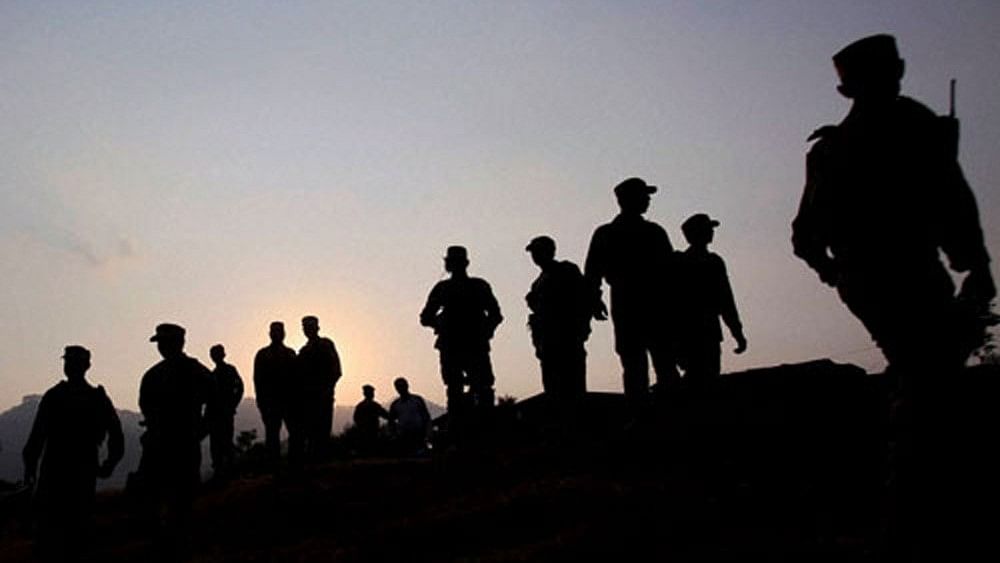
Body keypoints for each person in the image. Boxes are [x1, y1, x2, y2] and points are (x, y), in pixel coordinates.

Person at [791, 34, 996, 561]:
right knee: (930, 383)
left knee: (927, 378)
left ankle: (912, 508)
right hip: (898, 272)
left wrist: (834, 272)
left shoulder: (838, 146)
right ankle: (913, 514)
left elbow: (806, 237)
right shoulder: (905, 129)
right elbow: (950, 197)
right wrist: (973, 263)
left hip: (881, 275)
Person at [584, 177, 680, 411]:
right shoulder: (615, 233)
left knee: (657, 360)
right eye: (643, 195)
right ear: (627, 199)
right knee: (637, 360)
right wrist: (594, 300)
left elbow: (670, 272)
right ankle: (643, 413)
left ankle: (661, 412)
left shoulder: (651, 231)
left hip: (648, 301)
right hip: (633, 300)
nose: (647, 200)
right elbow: (593, 272)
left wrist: (594, 299)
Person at [22, 346, 124, 559]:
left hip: (58, 470)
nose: (69, 367)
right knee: (74, 531)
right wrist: (109, 464)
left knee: (55, 533)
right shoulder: (95, 398)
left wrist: (30, 468)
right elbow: (116, 435)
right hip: (76, 470)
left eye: (71, 363)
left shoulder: (56, 396)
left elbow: (36, 438)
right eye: (69, 362)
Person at [137, 323, 213, 551]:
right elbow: (146, 408)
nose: (161, 347)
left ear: (178, 343)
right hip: (160, 444)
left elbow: (216, 400)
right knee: (156, 499)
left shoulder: (193, 371)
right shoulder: (154, 375)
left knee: (182, 501)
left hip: (182, 443)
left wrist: (201, 429)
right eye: (160, 343)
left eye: (164, 342)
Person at [420, 246, 503, 421]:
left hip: (463, 345)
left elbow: (426, 318)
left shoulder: (448, 288)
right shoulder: (476, 286)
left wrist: (440, 324)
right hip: (464, 345)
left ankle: (470, 432)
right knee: (469, 389)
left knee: (469, 389)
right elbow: (426, 318)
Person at [674, 214, 747, 384]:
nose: (711, 232)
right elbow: (725, 300)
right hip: (691, 330)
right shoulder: (685, 263)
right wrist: (737, 332)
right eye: (707, 229)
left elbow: (726, 301)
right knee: (699, 377)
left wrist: (737, 331)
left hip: (706, 330)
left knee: (706, 376)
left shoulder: (712, 261)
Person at [525, 235, 594, 400]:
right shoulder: (537, 284)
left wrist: (582, 327)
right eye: (533, 252)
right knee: (553, 390)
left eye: (538, 251)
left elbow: (584, 298)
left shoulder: (566, 270)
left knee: (573, 388)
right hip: (547, 344)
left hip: (568, 338)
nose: (535, 256)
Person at [253, 321, 300, 466]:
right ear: (270, 334)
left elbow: (298, 378)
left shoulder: (291, 354)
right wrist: (261, 403)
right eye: (274, 331)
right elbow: (258, 381)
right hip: (271, 403)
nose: (277, 334)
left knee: (295, 433)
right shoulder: (262, 355)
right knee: (272, 435)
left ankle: (295, 464)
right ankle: (274, 467)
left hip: (290, 401)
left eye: (280, 331)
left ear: (284, 334)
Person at [298, 315, 342, 459]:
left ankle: (323, 461)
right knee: (310, 431)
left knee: (323, 430)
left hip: (323, 394)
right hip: (307, 398)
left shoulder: (326, 344)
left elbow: (336, 369)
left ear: (317, 328)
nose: (307, 330)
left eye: (310, 327)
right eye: (305, 327)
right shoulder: (303, 351)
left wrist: (328, 388)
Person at [207, 344, 244, 480]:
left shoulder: (229, 370)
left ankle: (230, 472)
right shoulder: (212, 375)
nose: (215, 356)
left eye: (217, 353)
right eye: (213, 354)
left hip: (225, 413)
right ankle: (220, 472)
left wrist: (232, 404)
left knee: (226, 442)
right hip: (214, 414)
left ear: (222, 355)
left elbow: (239, 387)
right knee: (216, 444)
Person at [388, 377, 432, 456]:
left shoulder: (417, 400)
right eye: (398, 387)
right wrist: (394, 434)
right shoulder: (395, 404)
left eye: (402, 386)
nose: (401, 388)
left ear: (407, 386)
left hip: (418, 434)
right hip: (404, 436)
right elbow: (391, 421)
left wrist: (428, 433)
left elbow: (426, 417)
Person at [353, 384, 389, 456]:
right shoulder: (372, 405)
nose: (372, 394)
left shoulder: (361, 406)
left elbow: (355, 418)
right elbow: (385, 415)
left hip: (369, 431)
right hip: (369, 431)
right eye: (371, 393)